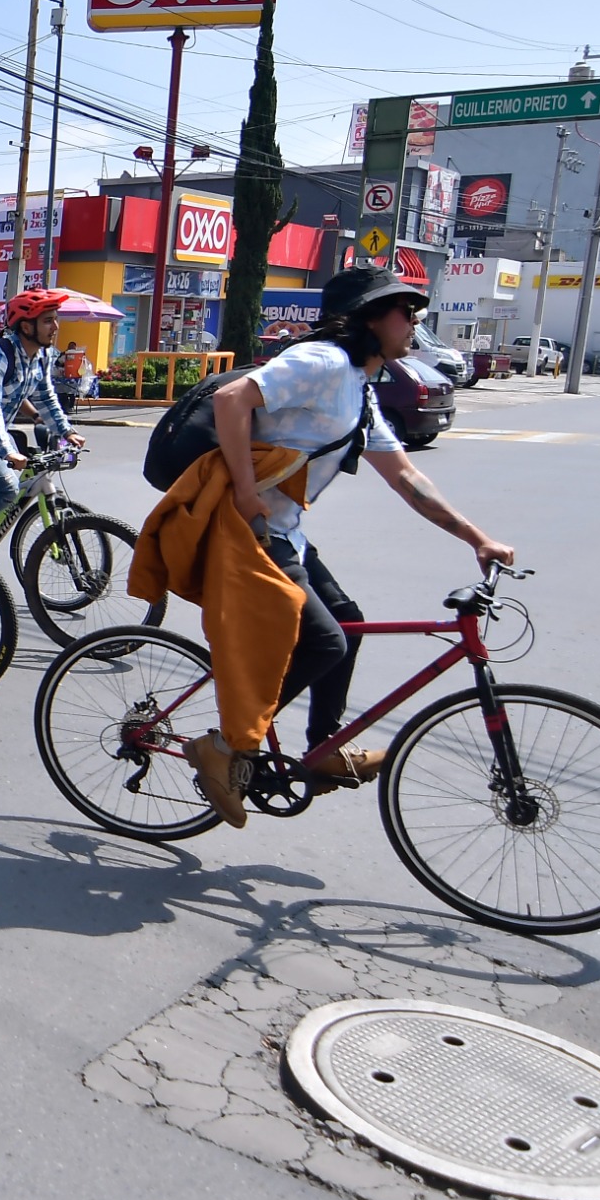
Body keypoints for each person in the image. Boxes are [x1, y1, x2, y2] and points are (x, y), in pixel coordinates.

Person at [188, 265, 515, 826]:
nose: (414, 322)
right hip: (248, 528)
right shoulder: (323, 363)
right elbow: (232, 398)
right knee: (325, 643)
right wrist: (245, 491)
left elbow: (407, 479)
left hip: (285, 531)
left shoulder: (359, 393)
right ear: (368, 319)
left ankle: (322, 750)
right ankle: (224, 747)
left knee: (348, 621)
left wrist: (476, 538)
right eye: (403, 312)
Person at [0, 288, 84, 547]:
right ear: (26, 327)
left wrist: (66, 431)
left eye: (55, 319)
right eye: (47, 320)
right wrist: (7, 450)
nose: (55, 327)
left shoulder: (40, 357)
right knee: (7, 488)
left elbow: (46, 398)